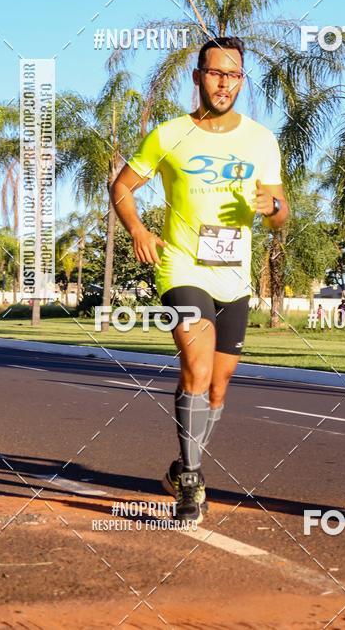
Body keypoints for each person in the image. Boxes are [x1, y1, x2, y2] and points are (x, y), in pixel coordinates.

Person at [111, 37, 289, 524]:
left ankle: (180, 466)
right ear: (197, 77)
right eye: (215, 73)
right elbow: (122, 184)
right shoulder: (169, 135)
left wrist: (272, 208)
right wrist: (138, 229)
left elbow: (279, 212)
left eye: (233, 76)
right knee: (197, 363)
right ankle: (191, 482)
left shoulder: (261, 139)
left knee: (219, 385)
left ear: (242, 81)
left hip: (235, 275)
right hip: (183, 267)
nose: (224, 83)